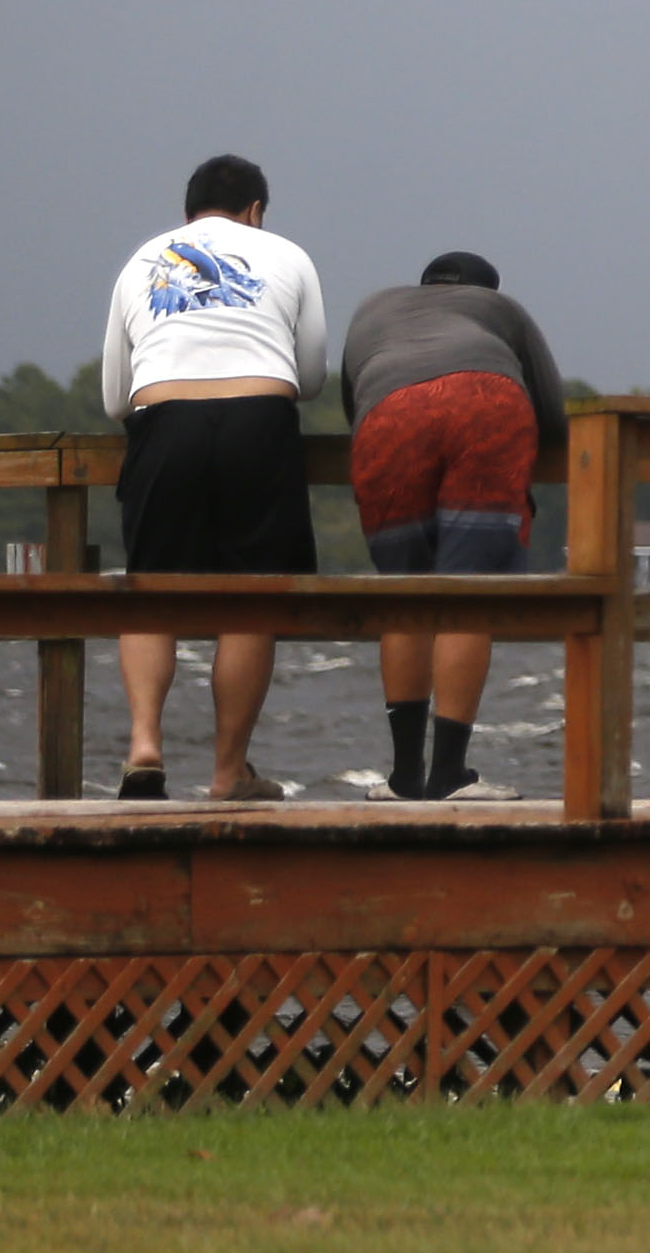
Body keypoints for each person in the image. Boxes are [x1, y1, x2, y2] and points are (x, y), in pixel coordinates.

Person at [96, 152, 333, 801]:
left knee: (152, 592)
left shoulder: (142, 260)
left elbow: (116, 397)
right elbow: (310, 376)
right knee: (249, 601)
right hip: (259, 421)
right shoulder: (287, 254)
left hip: (163, 421)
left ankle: (145, 745)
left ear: (187, 215)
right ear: (256, 211)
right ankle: (229, 773)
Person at [339, 249, 568, 801]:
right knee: (467, 593)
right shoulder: (500, 310)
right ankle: (449, 775)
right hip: (485, 404)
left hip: (387, 415)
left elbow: (354, 400)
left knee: (406, 595)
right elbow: (554, 414)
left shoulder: (374, 308)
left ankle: (402, 778)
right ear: (486, 291)